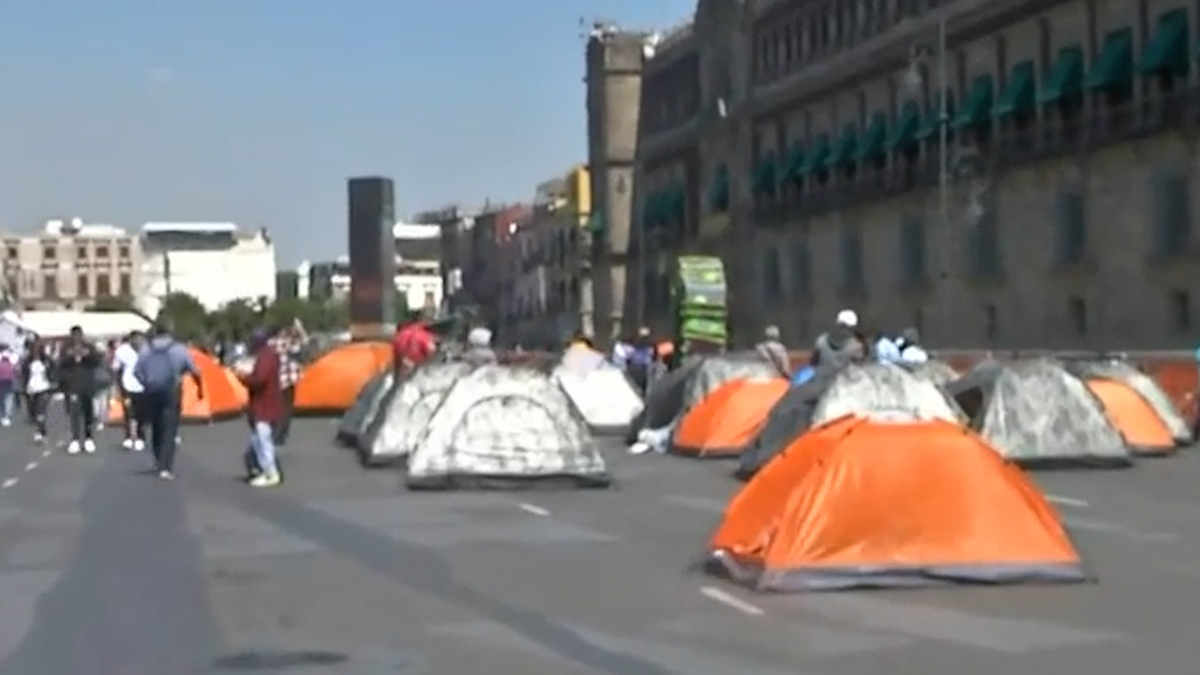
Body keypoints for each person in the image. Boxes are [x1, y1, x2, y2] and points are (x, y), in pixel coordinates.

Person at [135, 323, 204, 479]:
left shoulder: (146, 349)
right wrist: (200, 389)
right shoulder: (179, 349)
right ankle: (165, 467)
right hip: (171, 391)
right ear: (171, 332)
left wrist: (146, 383)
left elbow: (137, 371)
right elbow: (194, 370)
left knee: (156, 426)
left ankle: (157, 460)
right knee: (169, 428)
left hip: (151, 391)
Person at [239, 329, 284, 487]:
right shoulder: (270, 354)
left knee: (263, 440)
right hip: (269, 403)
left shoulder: (265, 356)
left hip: (263, 405)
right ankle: (261, 469)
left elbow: (259, 380)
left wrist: (243, 378)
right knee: (259, 440)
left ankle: (270, 472)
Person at [57, 326, 103, 454]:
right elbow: (61, 364)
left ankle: (88, 438)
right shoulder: (66, 348)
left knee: (88, 413)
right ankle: (75, 439)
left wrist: (86, 355)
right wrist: (71, 356)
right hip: (72, 386)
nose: (76, 338)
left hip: (87, 385)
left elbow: (97, 362)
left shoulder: (89, 347)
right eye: (74, 335)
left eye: (79, 335)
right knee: (74, 413)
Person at [268, 319, 306, 445]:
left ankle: (272, 433)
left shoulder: (270, 343)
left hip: (275, 381)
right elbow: (304, 342)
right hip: (288, 380)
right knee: (286, 409)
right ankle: (279, 436)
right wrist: (299, 328)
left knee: (275, 408)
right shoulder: (289, 342)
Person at [112, 331, 146, 451]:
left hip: (143, 387)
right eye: (135, 340)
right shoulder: (122, 351)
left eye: (140, 340)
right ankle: (129, 437)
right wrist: (116, 387)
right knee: (129, 412)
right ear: (131, 340)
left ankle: (141, 437)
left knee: (141, 413)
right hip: (128, 386)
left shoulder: (147, 350)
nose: (138, 342)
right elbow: (116, 369)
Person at [23, 342, 53, 443]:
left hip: (44, 388)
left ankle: (41, 433)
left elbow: (54, 371)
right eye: (34, 349)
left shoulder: (47, 361)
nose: (36, 352)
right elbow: (24, 375)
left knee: (41, 412)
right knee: (35, 413)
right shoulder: (27, 361)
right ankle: (40, 431)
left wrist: (53, 382)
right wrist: (24, 387)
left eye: (38, 349)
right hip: (31, 389)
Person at [625, 327, 656, 395]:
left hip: (645, 370)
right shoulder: (629, 349)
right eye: (642, 337)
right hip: (633, 370)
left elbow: (652, 359)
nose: (643, 340)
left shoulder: (650, 349)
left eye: (645, 338)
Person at [0, 343, 17, 426]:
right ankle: (7, 415)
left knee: (2, 399)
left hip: (2, 381)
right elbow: (16, 371)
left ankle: (4, 415)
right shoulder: (11, 363)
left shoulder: (2, 364)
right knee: (8, 398)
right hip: (9, 381)